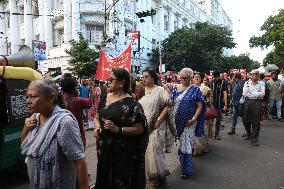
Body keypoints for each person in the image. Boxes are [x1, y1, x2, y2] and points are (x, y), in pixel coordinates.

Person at [21, 80, 89, 189]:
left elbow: (79, 162)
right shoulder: (35, 119)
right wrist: (25, 129)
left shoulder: (63, 122)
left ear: (51, 97)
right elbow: (27, 149)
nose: (28, 101)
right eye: (27, 97)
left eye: (33, 96)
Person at [94, 68, 148, 189]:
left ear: (122, 82)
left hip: (122, 154)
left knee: (119, 182)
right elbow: (97, 117)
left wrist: (118, 129)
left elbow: (140, 129)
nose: (108, 82)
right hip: (104, 151)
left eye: (111, 80)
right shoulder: (104, 98)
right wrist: (97, 128)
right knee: (104, 178)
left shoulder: (133, 105)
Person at [171, 68, 205, 179]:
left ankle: (186, 169)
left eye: (185, 78)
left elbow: (200, 106)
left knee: (187, 145)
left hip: (189, 123)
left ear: (191, 78)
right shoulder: (176, 89)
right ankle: (183, 163)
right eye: (181, 78)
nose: (183, 80)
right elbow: (171, 105)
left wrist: (194, 119)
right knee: (181, 145)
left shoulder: (195, 89)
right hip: (177, 122)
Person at [138, 68, 171, 186]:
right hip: (144, 126)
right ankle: (153, 174)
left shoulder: (160, 90)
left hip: (157, 125)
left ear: (153, 77)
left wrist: (159, 119)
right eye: (143, 76)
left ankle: (158, 176)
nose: (144, 79)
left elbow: (168, 105)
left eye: (147, 76)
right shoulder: (142, 91)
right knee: (147, 151)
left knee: (154, 150)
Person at [60, 77, 93, 148]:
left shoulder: (58, 99)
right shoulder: (77, 101)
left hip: (62, 133)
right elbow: (91, 102)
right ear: (74, 88)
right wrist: (90, 88)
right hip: (77, 133)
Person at [242, 70, 265, 146]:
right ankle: (249, 133)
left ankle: (254, 139)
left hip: (257, 103)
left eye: (256, 74)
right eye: (253, 74)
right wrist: (256, 93)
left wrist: (251, 93)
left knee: (256, 122)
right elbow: (245, 93)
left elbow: (262, 94)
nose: (255, 75)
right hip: (248, 102)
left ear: (258, 75)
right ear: (251, 75)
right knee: (245, 120)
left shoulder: (262, 83)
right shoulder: (247, 83)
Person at [192, 73, 208, 155]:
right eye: (195, 77)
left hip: (201, 112)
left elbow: (207, 99)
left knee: (201, 128)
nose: (196, 78)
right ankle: (196, 148)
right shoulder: (190, 88)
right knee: (193, 129)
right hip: (192, 111)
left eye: (198, 77)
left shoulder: (204, 88)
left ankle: (203, 147)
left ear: (201, 79)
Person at [209, 71, 228, 140]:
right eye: (214, 77)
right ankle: (210, 133)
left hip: (219, 105)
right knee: (210, 120)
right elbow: (209, 92)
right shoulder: (211, 82)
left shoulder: (223, 83)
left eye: (216, 77)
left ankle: (217, 134)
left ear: (219, 76)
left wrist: (225, 105)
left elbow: (225, 93)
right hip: (211, 105)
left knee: (218, 120)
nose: (215, 78)